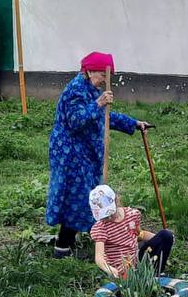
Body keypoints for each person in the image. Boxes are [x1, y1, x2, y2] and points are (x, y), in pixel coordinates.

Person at [46, 51, 152, 259]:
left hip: (84, 153)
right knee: (76, 198)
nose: (105, 80)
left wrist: (133, 123)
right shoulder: (75, 91)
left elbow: (105, 117)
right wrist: (99, 103)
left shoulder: (90, 88)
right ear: (89, 71)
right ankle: (63, 247)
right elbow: (76, 121)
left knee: (84, 197)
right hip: (70, 155)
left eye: (107, 75)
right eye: (103, 75)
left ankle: (74, 241)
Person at [88, 184, 174, 278]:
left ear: (116, 201)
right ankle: (140, 277)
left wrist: (159, 240)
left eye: (111, 213)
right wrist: (109, 269)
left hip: (136, 258)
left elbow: (139, 235)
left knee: (166, 235)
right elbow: (99, 258)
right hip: (121, 268)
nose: (109, 217)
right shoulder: (101, 228)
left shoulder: (131, 215)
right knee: (130, 281)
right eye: (104, 216)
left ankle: (155, 273)